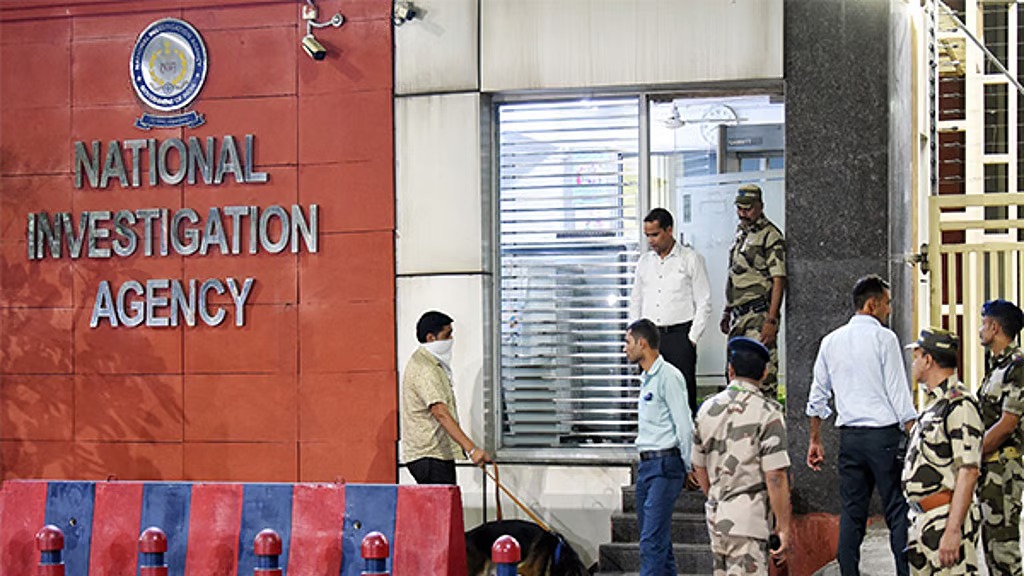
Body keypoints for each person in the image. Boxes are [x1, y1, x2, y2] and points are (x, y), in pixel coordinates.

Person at [805, 275, 917, 576]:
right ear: (872, 304)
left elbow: (817, 396)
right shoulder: (885, 338)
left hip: (850, 439)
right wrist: (916, 434)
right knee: (897, 510)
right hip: (884, 438)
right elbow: (898, 393)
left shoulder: (831, 341)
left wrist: (815, 439)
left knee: (852, 513)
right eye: (887, 303)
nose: (889, 309)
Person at [693, 336, 791, 575]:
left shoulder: (706, 409)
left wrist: (718, 497)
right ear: (764, 373)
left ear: (730, 370)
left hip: (716, 520)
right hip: (749, 522)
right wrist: (784, 527)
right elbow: (775, 476)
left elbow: (699, 468)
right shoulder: (768, 413)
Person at [902, 328, 983, 575]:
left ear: (928, 360)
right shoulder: (934, 405)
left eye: (917, 356)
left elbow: (968, 471)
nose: (914, 363)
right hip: (923, 520)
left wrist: (953, 530)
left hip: (944, 518)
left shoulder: (959, 404)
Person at [624, 318, 694, 576]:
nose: (625, 348)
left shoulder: (669, 376)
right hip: (647, 466)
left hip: (665, 465)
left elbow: (684, 424)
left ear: (642, 343)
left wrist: (689, 465)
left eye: (628, 342)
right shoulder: (646, 379)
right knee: (658, 541)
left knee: (651, 542)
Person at [630, 208, 712, 415]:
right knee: (651, 396)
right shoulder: (644, 262)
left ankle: (686, 436)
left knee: (682, 396)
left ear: (669, 230)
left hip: (679, 337)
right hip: (648, 339)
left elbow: (704, 301)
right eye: (647, 235)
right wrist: (634, 337)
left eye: (655, 234)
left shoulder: (690, 259)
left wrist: (692, 338)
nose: (651, 240)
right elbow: (636, 300)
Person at [401, 310, 490, 484]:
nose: (451, 339)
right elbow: (440, 412)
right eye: (447, 335)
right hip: (430, 456)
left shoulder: (430, 363)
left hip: (433, 455)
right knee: (443, 502)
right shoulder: (426, 369)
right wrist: (472, 450)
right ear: (431, 338)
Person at [720, 184, 786, 400]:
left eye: (747, 209)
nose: (742, 213)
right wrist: (727, 310)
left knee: (762, 381)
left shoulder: (770, 236)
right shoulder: (741, 233)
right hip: (738, 316)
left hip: (758, 316)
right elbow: (734, 274)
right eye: (739, 208)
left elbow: (779, 279)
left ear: (760, 206)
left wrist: (771, 320)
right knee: (735, 381)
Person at [975, 299, 1024, 575]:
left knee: (1004, 550)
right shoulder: (997, 366)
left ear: (994, 327)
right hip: (990, 468)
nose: (980, 330)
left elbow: (1007, 424)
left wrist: (971, 455)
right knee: (992, 548)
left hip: (1004, 470)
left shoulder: (1017, 366)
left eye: (983, 324)